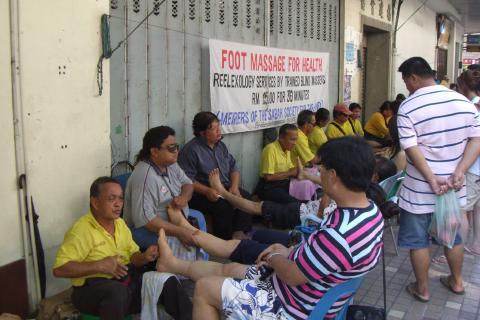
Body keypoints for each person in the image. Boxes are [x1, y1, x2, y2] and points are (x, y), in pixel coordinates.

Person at [155, 137, 385, 320]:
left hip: (288, 307)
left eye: (322, 168)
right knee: (231, 269)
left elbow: (293, 276)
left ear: (333, 176)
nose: (319, 172)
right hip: (303, 291)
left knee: (205, 289)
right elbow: (316, 259)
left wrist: (275, 255)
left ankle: (177, 265)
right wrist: (287, 253)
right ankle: (173, 264)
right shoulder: (371, 212)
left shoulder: (339, 235)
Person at [396, 57, 480, 302]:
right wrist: (461, 170)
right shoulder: (463, 102)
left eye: (406, 81)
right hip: (454, 186)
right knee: (452, 236)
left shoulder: (409, 106)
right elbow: (476, 139)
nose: (407, 87)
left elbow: (410, 147)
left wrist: (431, 178)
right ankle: (457, 281)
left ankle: (422, 288)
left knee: (417, 240)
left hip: (419, 189)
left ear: (412, 77)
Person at [53, 177, 192, 320]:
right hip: (91, 292)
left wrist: (144, 257)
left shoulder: (120, 224)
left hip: (126, 283)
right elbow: (59, 269)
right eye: (111, 199)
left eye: (120, 198)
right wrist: (99, 266)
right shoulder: (81, 230)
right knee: (116, 292)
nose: (118, 204)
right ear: (95, 202)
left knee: (167, 281)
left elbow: (133, 256)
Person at [123, 126, 200, 260]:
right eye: (171, 148)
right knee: (188, 240)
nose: (176, 151)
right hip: (146, 230)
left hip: (177, 220)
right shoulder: (144, 176)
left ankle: (198, 263)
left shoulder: (171, 163)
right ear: (154, 151)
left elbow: (188, 184)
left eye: (177, 146)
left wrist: (184, 198)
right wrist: (181, 232)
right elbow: (148, 221)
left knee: (199, 218)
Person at [178, 112, 252, 240]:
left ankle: (239, 232)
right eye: (214, 128)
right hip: (201, 193)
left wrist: (234, 187)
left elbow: (233, 168)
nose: (219, 131)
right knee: (223, 205)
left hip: (225, 187)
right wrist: (207, 191)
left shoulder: (220, 146)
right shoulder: (190, 150)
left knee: (245, 196)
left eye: (219, 127)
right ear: (202, 133)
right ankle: (224, 239)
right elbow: (187, 180)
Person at [456, 69, 480, 256]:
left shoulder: (472, 108)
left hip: (473, 168)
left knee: (462, 210)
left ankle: (457, 250)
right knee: (477, 209)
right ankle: (476, 244)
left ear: (463, 86)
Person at [255, 123, 299, 203]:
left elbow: (291, 168)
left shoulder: (286, 149)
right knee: (293, 202)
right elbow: (268, 177)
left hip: (282, 183)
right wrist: (290, 173)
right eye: (292, 139)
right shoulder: (271, 149)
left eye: (296, 139)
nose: (295, 143)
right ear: (281, 138)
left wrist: (297, 169)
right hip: (268, 187)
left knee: (306, 186)